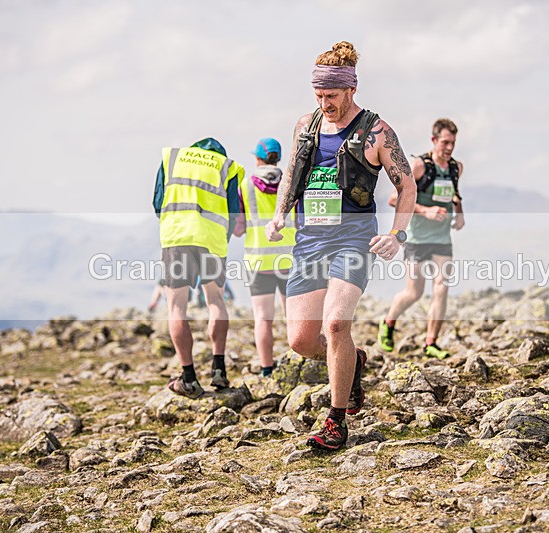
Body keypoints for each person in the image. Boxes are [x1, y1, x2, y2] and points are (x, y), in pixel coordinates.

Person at [265, 41, 417, 451]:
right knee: (300, 341)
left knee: (336, 325)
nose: (325, 103)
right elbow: (294, 173)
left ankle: (335, 421)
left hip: (353, 238)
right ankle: (353, 362)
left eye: (331, 96)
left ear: (351, 88)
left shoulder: (376, 131)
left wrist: (397, 234)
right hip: (310, 240)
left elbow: (407, 185)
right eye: (318, 95)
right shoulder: (306, 125)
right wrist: (280, 215)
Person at [152, 137, 244, 398]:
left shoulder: (173, 158)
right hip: (212, 239)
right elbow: (233, 211)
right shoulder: (226, 166)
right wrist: (220, 238)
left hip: (178, 237)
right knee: (215, 299)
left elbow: (158, 202)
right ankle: (218, 369)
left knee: (176, 306)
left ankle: (189, 377)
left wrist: (172, 224)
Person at [378, 118, 465, 359]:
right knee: (414, 292)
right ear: (434, 140)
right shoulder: (419, 166)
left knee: (441, 288)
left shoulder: (456, 168)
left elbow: (454, 194)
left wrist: (460, 214)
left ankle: (430, 343)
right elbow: (394, 200)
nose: (449, 148)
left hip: (442, 239)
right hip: (416, 238)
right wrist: (426, 211)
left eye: (453, 143)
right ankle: (388, 323)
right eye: (445, 142)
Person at [233, 137, 296, 378]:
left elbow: (238, 229)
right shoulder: (291, 184)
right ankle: (299, 358)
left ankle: (266, 369)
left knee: (263, 318)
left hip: (258, 261)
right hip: (289, 260)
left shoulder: (245, 185)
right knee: (293, 316)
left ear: (258, 158)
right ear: (277, 158)